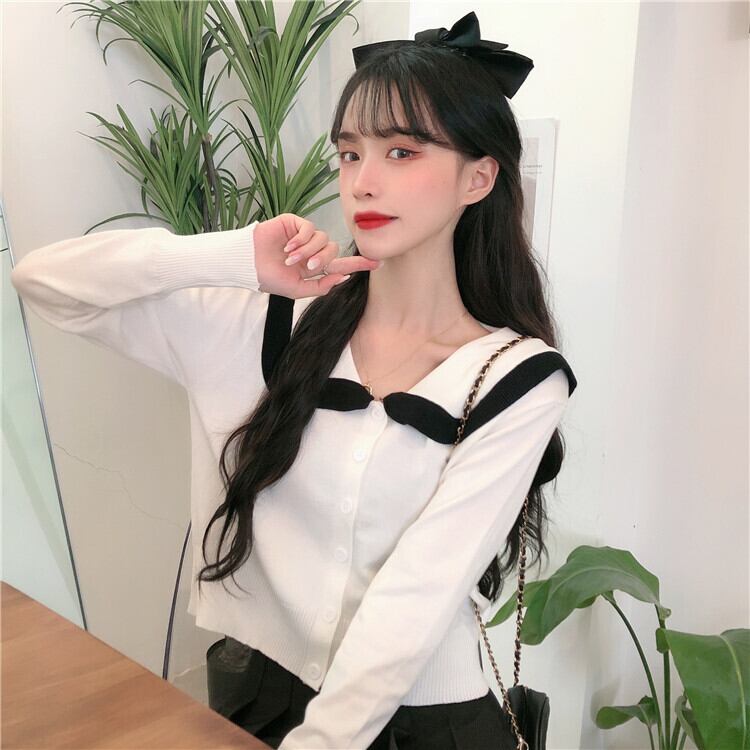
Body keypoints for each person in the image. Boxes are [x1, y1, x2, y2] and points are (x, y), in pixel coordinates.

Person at [10, 10, 578, 750]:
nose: (363, 182)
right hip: (260, 694)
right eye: (349, 154)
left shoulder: (519, 377)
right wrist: (232, 256)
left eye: (401, 152)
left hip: (428, 721)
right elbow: (44, 282)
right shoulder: (261, 324)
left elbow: (418, 594)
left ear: (479, 177)